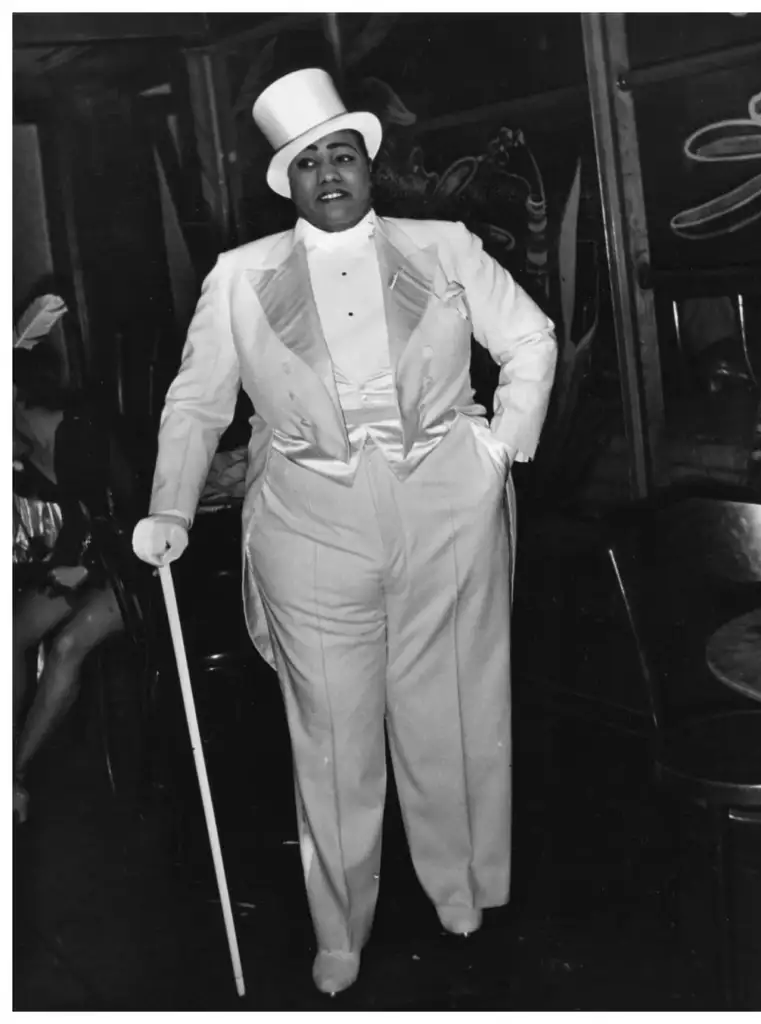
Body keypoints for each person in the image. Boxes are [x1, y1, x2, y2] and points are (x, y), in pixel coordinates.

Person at [132, 67, 558, 996]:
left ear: (368, 165)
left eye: (343, 153)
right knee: (330, 732)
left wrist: (498, 451)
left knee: (449, 707)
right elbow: (197, 404)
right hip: (308, 521)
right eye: (307, 160)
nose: (328, 171)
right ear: (284, 180)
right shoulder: (238, 277)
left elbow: (530, 340)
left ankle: (461, 887)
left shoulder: (442, 246)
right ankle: (340, 928)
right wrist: (169, 507)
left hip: (445, 504)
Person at [13, 345, 143, 823]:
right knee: (12, 632)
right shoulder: (30, 451)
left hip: (139, 565)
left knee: (69, 643)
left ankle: (16, 775)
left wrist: (81, 570)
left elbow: (121, 520)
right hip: (95, 564)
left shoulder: (78, 433)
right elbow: (69, 534)